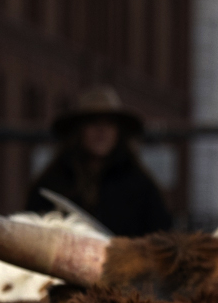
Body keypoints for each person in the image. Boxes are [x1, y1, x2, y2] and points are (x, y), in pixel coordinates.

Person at [28, 85, 174, 238]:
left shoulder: (140, 186)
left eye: (109, 123)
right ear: (79, 131)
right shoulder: (53, 183)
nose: (101, 130)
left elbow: (161, 237)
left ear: (118, 131)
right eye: (93, 122)